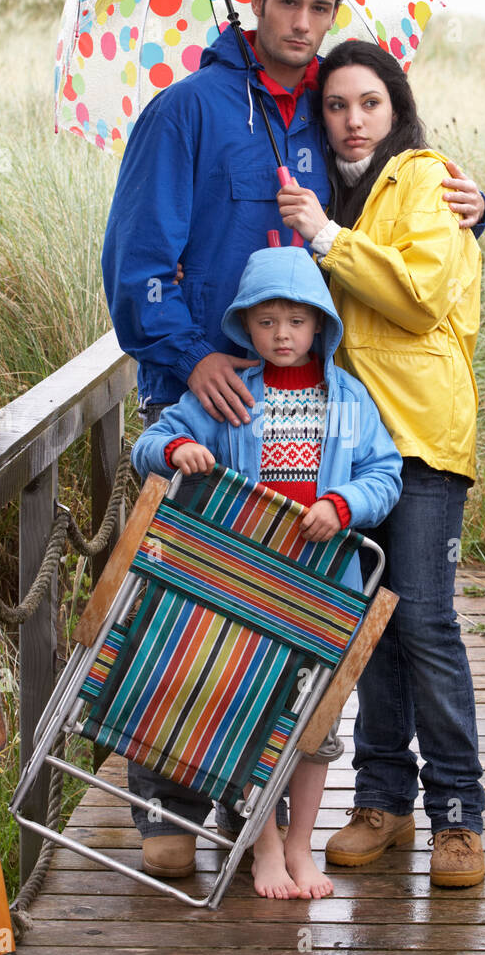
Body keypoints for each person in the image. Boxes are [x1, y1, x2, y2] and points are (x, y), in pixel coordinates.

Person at [102, 0, 485, 878]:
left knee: (285, 621)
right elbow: (135, 265)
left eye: (320, 7)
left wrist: (479, 210)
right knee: (191, 606)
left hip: (313, 413)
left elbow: (392, 199)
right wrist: (190, 361)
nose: (303, 23)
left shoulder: (324, 114)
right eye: (288, 3)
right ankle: (168, 806)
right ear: (254, 2)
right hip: (212, 402)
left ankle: (298, 808)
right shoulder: (185, 111)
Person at [275, 38, 485, 888]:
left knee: (426, 618)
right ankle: (382, 802)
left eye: (368, 102)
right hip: (352, 445)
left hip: (421, 437)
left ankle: (460, 814)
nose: (352, 119)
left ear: (394, 106)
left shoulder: (426, 178)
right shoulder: (335, 190)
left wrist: (324, 234)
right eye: (335, 105)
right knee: (372, 620)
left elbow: (417, 294)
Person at [130, 242, 403, 896]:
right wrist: (181, 446)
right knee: (249, 717)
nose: (283, 335)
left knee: (314, 725)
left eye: (298, 321)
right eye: (267, 322)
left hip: (322, 591)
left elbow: (385, 473)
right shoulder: (230, 395)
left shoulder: (348, 399)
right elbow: (147, 444)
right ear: (246, 326)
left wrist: (342, 506)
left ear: (320, 326)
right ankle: (265, 846)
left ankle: (302, 846)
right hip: (243, 589)